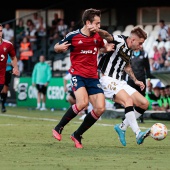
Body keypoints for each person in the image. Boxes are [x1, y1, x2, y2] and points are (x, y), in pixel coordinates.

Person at [52, 8, 114, 148]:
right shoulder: (73, 36)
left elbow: (107, 40)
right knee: (82, 104)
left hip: (93, 76)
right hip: (78, 74)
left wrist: (105, 48)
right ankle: (58, 127)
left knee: (100, 108)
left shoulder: (97, 36)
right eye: (97, 23)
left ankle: (77, 134)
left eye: (99, 23)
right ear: (87, 22)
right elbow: (56, 46)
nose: (99, 26)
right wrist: (59, 48)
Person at [98, 26, 150, 146]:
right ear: (132, 40)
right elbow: (107, 36)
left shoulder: (130, 50)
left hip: (119, 81)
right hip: (106, 79)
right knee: (128, 100)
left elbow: (126, 66)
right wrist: (96, 30)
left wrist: (136, 80)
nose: (141, 46)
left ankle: (122, 127)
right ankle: (138, 133)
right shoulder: (119, 40)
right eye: (140, 43)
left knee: (144, 103)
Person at [124, 48, 151, 123]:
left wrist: (148, 79)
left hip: (141, 80)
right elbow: (125, 67)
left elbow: (147, 68)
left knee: (141, 99)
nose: (140, 45)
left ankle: (140, 117)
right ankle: (127, 117)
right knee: (129, 98)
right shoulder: (129, 53)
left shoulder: (144, 54)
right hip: (131, 80)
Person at [0, 23, 20, 107]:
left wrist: (15, 67)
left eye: (0, 31)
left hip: (1, 76)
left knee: (4, 89)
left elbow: (13, 57)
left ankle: (3, 104)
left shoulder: (8, 44)